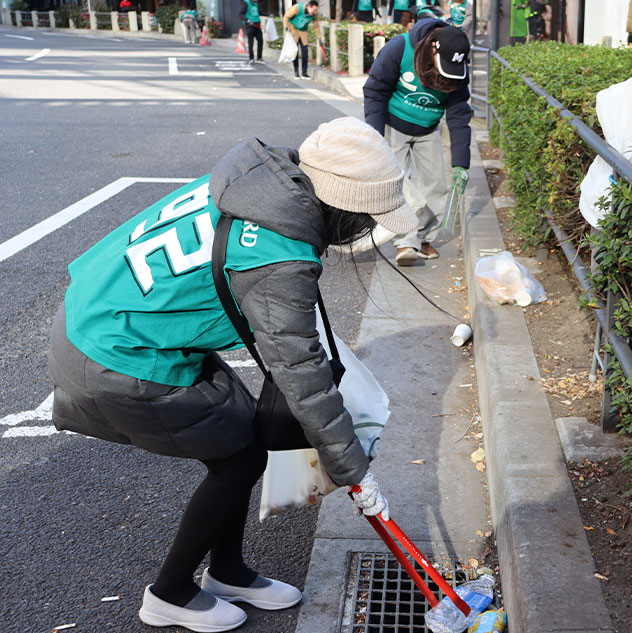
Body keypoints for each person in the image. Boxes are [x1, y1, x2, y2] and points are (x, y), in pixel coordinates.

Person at [48, 118, 413, 633]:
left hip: (112, 315)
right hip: (115, 352)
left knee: (240, 445)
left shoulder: (261, 182)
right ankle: (170, 593)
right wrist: (355, 469)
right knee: (238, 461)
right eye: (368, 216)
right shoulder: (279, 253)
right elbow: (301, 372)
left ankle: (227, 571)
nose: (367, 228)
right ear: (342, 203)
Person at [363, 16, 472, 266]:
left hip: (428, 129)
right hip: (393, 125)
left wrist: (460, 164)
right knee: (398, 184)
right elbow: (375, 90)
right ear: (433, 48)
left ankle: (423, 237)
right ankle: (404, 242)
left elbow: (458, 115)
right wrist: (374, 138)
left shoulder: (458, 68)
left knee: (436, 186)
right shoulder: (400, 48)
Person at [284, 0, 321, 80]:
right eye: (314, 10)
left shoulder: (314, 14)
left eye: (316, 10)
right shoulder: (297, 8)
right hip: (293, 30)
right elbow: (286, 16)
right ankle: (296, 72)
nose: (315, 12)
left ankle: (304, 73)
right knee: (295, 52)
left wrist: (319, 37)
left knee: (305, 52)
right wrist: (285, 26)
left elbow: (316, 26)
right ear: (308, 7)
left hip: (303, 32)